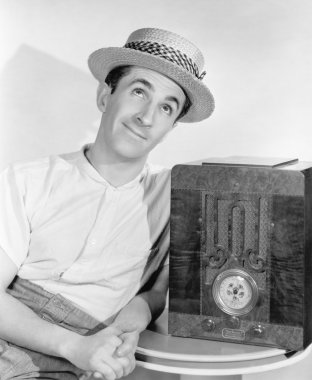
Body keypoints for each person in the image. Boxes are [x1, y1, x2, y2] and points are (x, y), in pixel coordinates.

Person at [0, 27, 215, 379]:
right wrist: (74, 347)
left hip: (96, 349)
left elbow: (160, 289)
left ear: (171, 127)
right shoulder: (27, 179)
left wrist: (134, 318)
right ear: (105, 96)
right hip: (16, 330)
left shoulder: (180, 195)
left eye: (165, 107)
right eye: (138, 91)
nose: (146, 116)